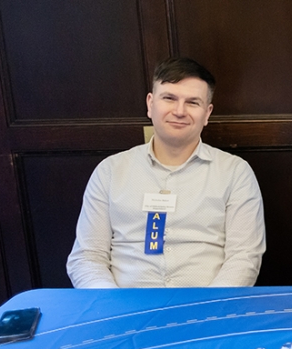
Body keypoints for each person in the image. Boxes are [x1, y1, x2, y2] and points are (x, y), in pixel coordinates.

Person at [67, 57, 265, 288]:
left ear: (207, 113)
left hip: (205, 309)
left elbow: (244, 259)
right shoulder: (110, 171)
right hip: (125, 310)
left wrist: (207, 311)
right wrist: (116, 311)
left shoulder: (235, 173)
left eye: (193, 102)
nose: (179, 111)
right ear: (150, 104)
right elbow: (87, 257)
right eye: (169, 98)